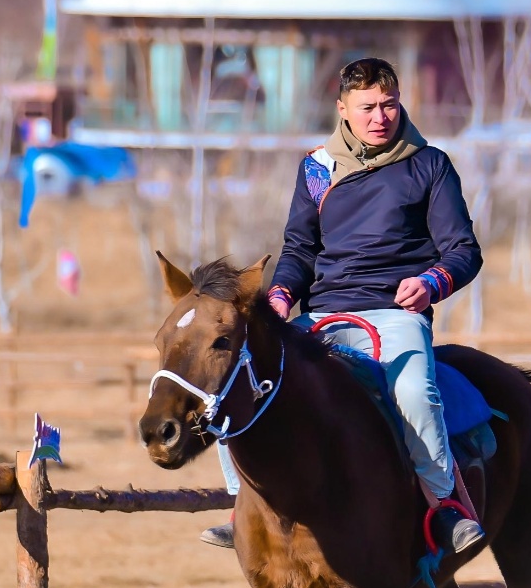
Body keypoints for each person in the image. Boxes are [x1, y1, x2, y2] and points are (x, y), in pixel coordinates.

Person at [201, 57, 486, 558]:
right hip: (322, 314)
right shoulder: (316, 168)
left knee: (415, 393)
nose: (381, 117)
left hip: (396, 313)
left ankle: (445, 506)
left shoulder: (429, 164)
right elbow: (299, 249)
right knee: (239, 380)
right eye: (368, 107)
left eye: (390, 104)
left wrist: (430, 282)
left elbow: (464, 251)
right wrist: (282, 294)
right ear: (343, 109)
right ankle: (243, 504)